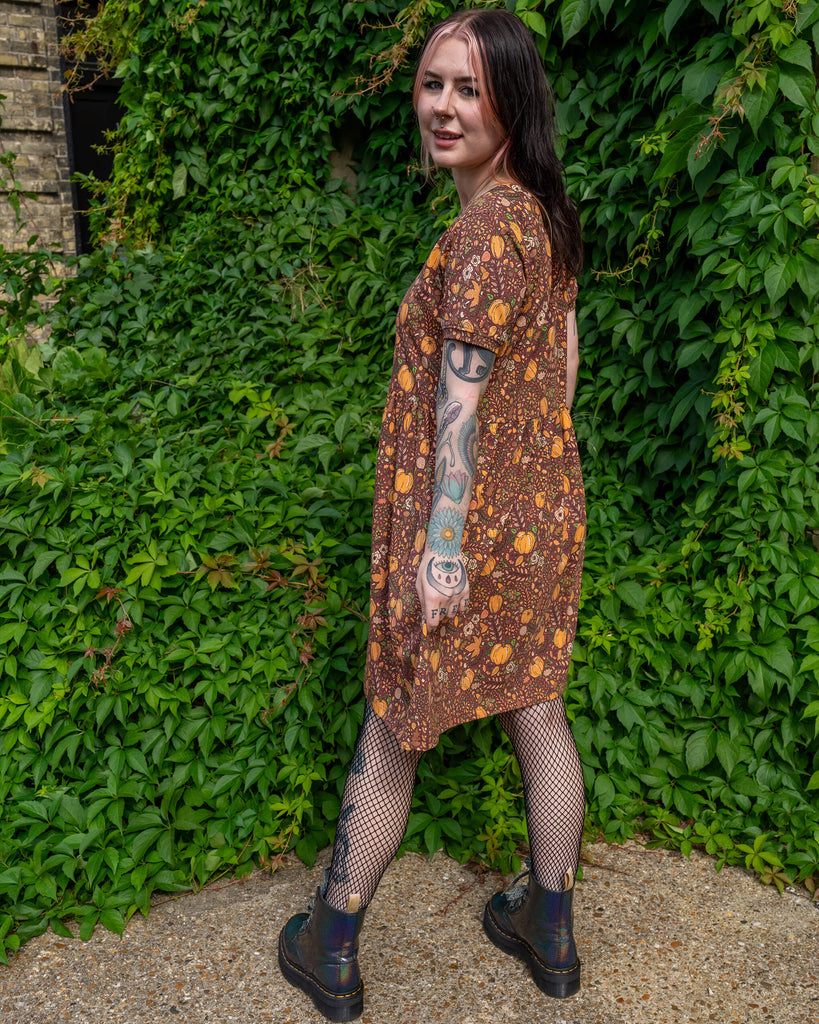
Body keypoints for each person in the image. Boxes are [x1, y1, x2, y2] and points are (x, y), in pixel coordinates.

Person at [278, 9, 586, 1021]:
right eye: (433, 84)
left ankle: (330, 940)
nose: (444, 107)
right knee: (537, 709)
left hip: (462, 525)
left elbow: (460, 399)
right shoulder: (540, 214)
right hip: (541, 510)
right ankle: (549, 929)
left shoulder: (485, 233)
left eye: (468, 89)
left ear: (511, 102)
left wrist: (445, 544)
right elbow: (564, 375)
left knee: (397, 721)